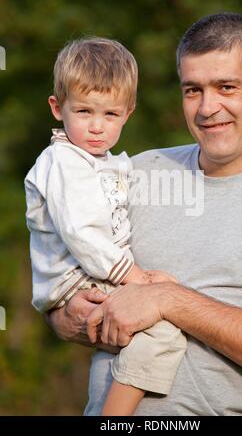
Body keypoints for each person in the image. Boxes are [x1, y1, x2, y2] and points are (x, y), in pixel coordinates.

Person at [47, 13, 242, 416]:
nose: (207, 107)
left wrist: (167, 300)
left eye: (226, 87)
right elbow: (62, 295)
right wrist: (69, 316)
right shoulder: (134, 173)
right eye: (192, 90)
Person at [24, 37, 187, 416]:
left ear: (128, 113)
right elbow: (84, 235)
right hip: (76, 280)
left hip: (98, 273)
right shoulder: (62, 162)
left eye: (110, 115)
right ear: (56, 107)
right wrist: (138, 278)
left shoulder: (105, 162)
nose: (96, 127)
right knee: (161, 331)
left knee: (171, 296)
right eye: (83, 111)